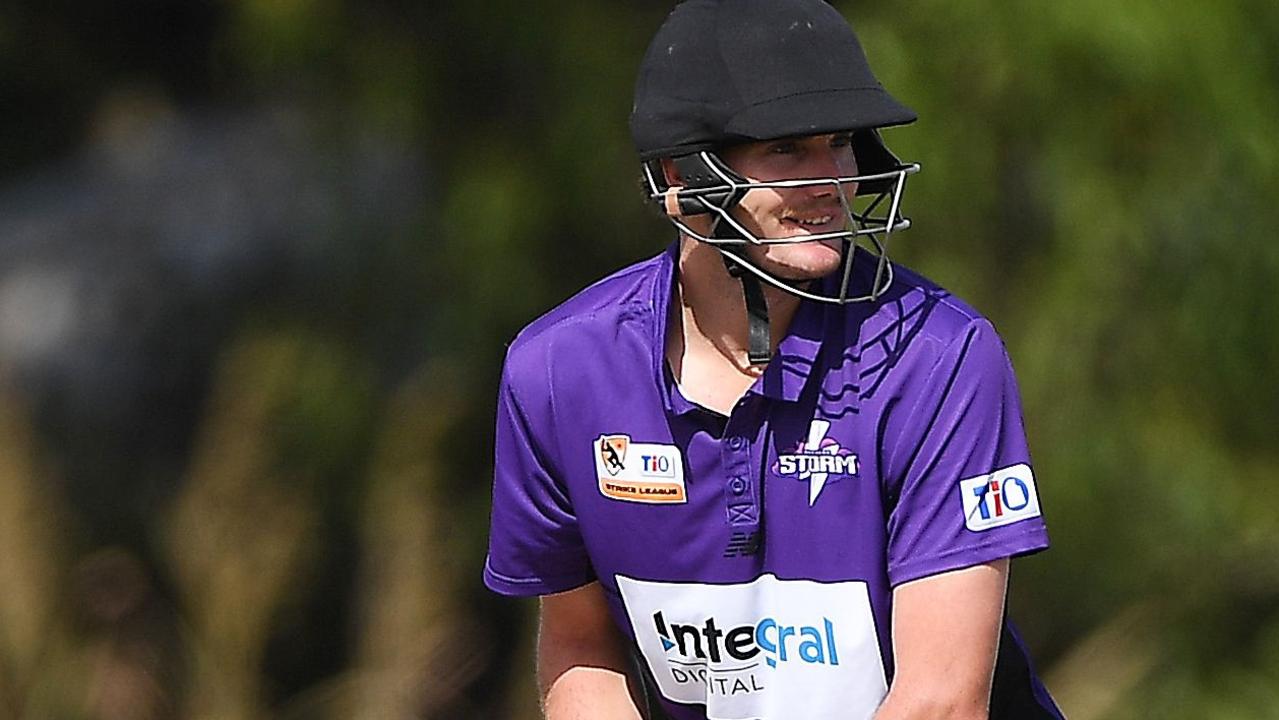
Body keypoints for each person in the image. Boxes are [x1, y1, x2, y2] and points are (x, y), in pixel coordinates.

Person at [483, 1, 1064, 718]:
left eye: (842, 144)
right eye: (787, 150)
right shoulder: (556, 371)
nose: (831, 182)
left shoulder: (938, 357)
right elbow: (581, 652)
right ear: (679, 178)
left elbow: (940, 701)